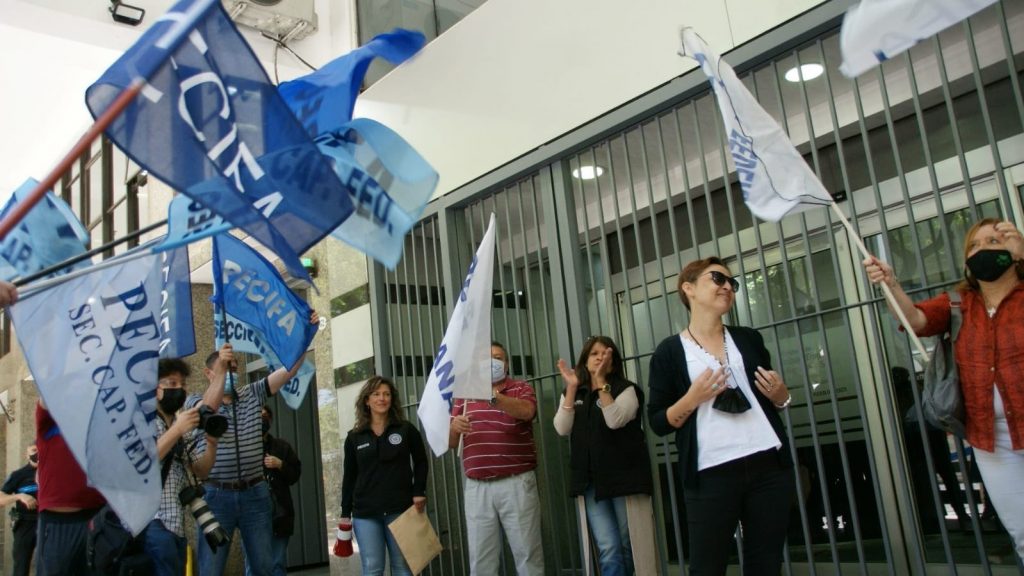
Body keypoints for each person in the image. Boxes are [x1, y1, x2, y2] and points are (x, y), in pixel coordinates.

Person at [863, 217, 1024, 560]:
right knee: (1022, 533)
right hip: (991, 441)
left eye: (994, 241)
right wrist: (890, 284)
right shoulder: (959, 304)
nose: (983, 249)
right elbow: (916, 320)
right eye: (975, 245)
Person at [647, 257, 796, 575]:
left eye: (732, 283)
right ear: (688, 288)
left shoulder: (748, 338)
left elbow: (776, 400)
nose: (727, 286)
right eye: (717, 278)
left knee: (767, 564)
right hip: (711, 472)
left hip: (768, 465)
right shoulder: (669, 352)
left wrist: (782, 397)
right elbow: (658, 421)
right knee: (707, 567)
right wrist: (691, 398)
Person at [184, 309, 318, 576]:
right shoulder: (196, 402)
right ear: (209, 373)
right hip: (216, 496)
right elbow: (208, 407)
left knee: (263, 567)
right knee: (211, 568)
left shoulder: (252, 393)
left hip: (255, 495)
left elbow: (289, 370)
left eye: (234, 369)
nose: (232, 373)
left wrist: (306, 336)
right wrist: (222, 368)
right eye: (225, 369)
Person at [554, 336, 656, 576]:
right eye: (594, 353)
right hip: (591, 482)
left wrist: (601, 384)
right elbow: (561, 428)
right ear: (585, 360)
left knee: (629, 544)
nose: (600, 357)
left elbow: (615, 420)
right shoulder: (574, 391)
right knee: (607, 547)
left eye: (605, 353)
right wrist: (570, 389)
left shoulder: (626, 389)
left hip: (625, 480)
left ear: (613, 361)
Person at [448, 341, 544, 576]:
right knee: (481, 561)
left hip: (516, 484)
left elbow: (527, 411)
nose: (493, 362)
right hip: (477, 488)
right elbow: (451, 443)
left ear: (507, 364)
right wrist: (454, 427)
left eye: (498, 357)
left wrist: (493, 397)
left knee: (528, 556)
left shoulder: (521, 388)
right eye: (487, 358)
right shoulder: (464, 396)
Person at [340, 376, 428, 576]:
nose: (382, 398)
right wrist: (345, 513)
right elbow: (350, 476)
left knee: (403, 568)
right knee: (372, 569)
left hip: (401, 509)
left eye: (387, 394)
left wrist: (419, 490)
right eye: (376, 394)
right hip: (366, 513)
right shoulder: (354, 437)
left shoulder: (406, 429)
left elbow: (421, 461)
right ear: (367, 400)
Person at [148, 357, 220, 576]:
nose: (179, 389)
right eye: (171, 384)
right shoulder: (145, 421)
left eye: (182, 384)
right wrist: (178, 429)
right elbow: (146, 461)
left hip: (175, 527)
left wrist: (212, 442)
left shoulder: (178, 427)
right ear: (155, 389)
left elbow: (201, 470)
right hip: (152, 524)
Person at [34, 400, 106, 576]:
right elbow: (46, 390)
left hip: (95, 519)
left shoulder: (98, 428)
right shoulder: (48, 423)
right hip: (58, 522)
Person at [244, 406, 301, 576]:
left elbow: (294, 475)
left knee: (276, 564)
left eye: (265, 416)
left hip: (279, 514)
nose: (262, 419)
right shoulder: (242, 448)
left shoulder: (282, 447)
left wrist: (281, 464)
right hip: (251, 515)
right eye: (258, 416)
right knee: (253, 566)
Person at [0, 444, 39, 576]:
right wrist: (20, 496)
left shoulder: (53, 473)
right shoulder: (18, 475)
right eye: (34, 451)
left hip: (49, 523)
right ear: (27, 455)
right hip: (25, 524)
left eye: (40, 450)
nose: (37, 454)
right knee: (21, 566)